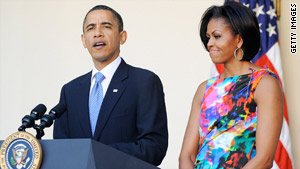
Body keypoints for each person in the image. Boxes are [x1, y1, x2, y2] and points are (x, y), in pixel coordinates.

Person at [53, 5, 168, 166]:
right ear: (83, 40)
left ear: (122, 37)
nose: (98, 33)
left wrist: (99, 154)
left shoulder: (144, 82)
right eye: (91, 28)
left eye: (106, 26)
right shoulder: (70, 91)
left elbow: (154, 147)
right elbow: (61, 149)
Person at [179, 1, 283, 169]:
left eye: (217, 36)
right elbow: (186, 156)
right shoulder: (204, 89)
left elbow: (264, 159)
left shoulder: (264, 83)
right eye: (208, 37)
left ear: (239, 40)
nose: (209, 43)